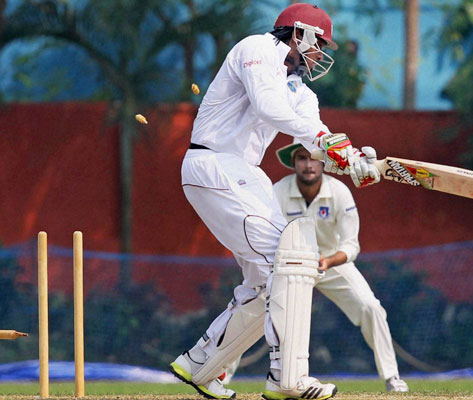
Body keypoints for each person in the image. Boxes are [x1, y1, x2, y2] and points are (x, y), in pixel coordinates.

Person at [168, 3, 381, 400]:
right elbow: (270, 108)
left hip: (242, 173)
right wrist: (329, 142)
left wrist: (353, 161)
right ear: (300, 34)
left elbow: (312, 138)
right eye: (320, 45)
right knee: (290, 258)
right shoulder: (257, 49)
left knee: (268, 280)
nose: (320, 55)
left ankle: (201, 365)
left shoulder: (301, 92)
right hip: (213, 163)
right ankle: (288, 378)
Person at [271, 142, 409, 392]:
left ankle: (392, 377)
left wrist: (328, 261)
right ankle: (221, 376)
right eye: (302, 158)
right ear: (293, 162)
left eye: (314, 158)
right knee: (253, 306)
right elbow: (267, 235)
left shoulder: (339, 192)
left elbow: (351, 245)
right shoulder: (278, 192)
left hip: (331, 262)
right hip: (290, 264)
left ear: (324, 162)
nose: (309, 165)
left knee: (371, 308)